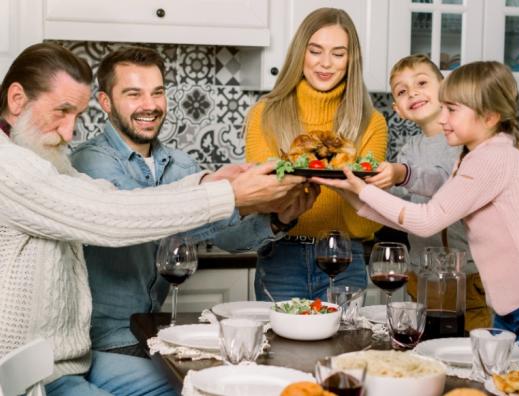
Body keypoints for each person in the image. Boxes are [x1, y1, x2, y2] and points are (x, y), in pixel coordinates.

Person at [0, 43, 305, 395]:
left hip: (69, 361)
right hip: (32, 376)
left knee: (194, 386)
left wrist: (213, 181)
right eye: (62, 111)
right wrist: (231, 195)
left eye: (76, 116)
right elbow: (109, 217)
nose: (69, 132)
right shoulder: (9, 168)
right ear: (17, 99)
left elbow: (112, 199)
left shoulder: (44, 161)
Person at [70, 46, 319, 357]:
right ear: (106, 102)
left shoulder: (181, 165)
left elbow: (224, 236)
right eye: (134, 94)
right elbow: (139, 222)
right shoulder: (89, 163)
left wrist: (277, 217)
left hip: (155, 332)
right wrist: (235, 198)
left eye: (157, 92)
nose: (150, 105)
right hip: (106, 341)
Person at [314, 60, 519, 353]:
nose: (442, 119)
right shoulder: (478, 155)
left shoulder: (491, 159)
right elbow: (419, 211)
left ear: (490, 116)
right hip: (514, 307)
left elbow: (428, 220)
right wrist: (349, 191)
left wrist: (364, 189)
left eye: (451, 109)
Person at [245, 8, 388, 301]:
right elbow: (259, 202)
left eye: (338, 53)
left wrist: (344, 183)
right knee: (280, 346)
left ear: (351, 60)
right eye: (315, 51)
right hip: (281, 258)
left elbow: (368, 223)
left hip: (344, 257)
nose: (325, 63)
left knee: (345, 346)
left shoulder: (371, 122)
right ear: (301, 53)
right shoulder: (265, 115)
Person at [368, 54, 490, 331]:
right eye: (402, 91)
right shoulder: (409, 148)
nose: (413, 92)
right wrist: (367, 186)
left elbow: (447, 186)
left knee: (468, 356)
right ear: (398, 109)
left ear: (446, 87)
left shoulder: (465, 141)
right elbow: (405, 207)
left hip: (469, 278)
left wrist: (401, 174)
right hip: (422, 277)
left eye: (421, 82)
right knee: (428, 353)